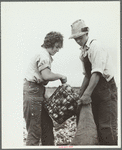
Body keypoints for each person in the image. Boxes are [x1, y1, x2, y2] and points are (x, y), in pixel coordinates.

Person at [69, 19, 117, 145]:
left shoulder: (96, 47)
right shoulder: (83, 51)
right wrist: (80, 94)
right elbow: (87, 76)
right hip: (94, 89)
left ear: (86, 33)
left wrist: (86, 94)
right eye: (75, 39)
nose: (78, 41)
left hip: (106, 89)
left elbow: (96, 73)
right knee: (96, 125)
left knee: (106, 127)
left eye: (80, 37)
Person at [23, 31, 67, 146]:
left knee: (46, 126)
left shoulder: (43, 54)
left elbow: (44, 78)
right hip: (33, 92)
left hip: (37, 92)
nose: (57, 50)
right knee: (34, 132)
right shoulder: (43, 55)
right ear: (50, 44)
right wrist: (61, 76)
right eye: (57, 47)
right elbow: (46, 75)